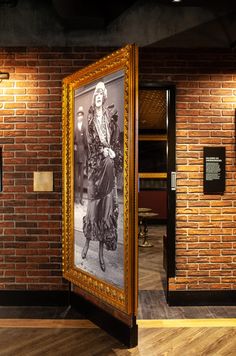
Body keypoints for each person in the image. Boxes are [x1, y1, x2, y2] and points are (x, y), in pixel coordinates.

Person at [82, 81, 123, 272]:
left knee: (105, 208)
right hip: (94, 168)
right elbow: (90, 146)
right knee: (92, 208)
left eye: (101, 94)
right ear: (94, 98)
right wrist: (104, 152)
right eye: (96, 94)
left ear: (104, 97)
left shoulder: (109, 120)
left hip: (107, 169)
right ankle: (87, 243)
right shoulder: (89, 121)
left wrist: (113, 152)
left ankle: (100, 250)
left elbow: (114, 144)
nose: (98, 96)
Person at [74, 106, 88, 205]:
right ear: (77, 117)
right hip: (75, 155)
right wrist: (74, 145)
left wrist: (87, 156)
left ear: (83, 117)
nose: (80, 117)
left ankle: (81, 199)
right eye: (78, 115)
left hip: (82, 156)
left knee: (82, 179)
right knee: (75, 178)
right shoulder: (74, 129)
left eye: (81, 115)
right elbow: (72, 141)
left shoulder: (84, 128)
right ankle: (76, 198)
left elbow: (86, 143)